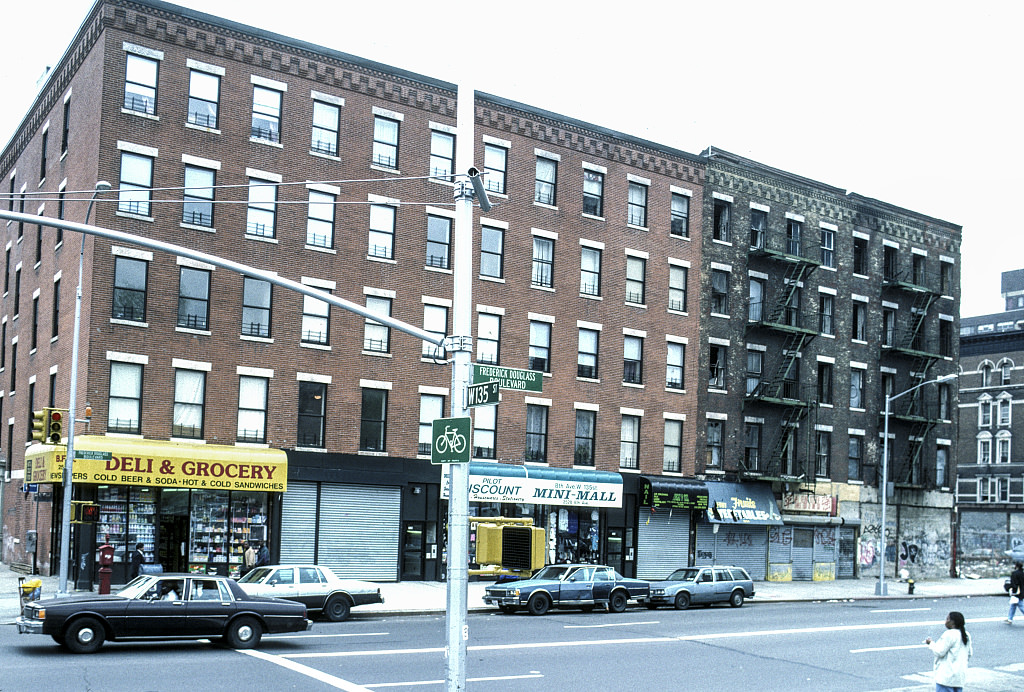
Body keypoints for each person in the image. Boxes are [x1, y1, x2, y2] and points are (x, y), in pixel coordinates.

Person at [925, 611, 972, 692]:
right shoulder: (966, 635)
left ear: (952, 622)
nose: (945, 621)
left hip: (946, 677)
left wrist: (931, 643)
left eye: (947, 619)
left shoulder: (949, 634)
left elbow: (939, 652)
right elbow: (969, 654)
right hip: (959, 677)